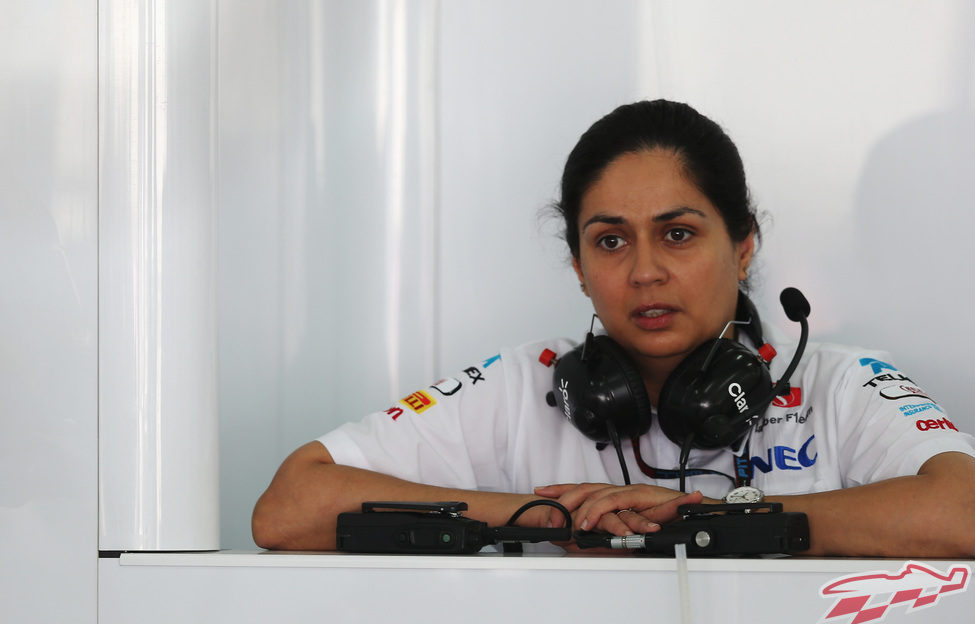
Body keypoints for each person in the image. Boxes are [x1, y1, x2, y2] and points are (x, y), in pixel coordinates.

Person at [252, 99, 975, 557]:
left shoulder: (840, 384)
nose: (643, 272)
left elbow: (963, 511)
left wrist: (702, 518)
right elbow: (289, 507)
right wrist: (542, 514)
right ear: (576, 263)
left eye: (679, 234)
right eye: (609, 241)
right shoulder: (519, 383)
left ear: (744, 244)